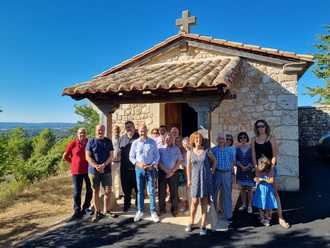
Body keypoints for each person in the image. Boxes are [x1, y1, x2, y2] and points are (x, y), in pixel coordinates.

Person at [251, 119, 290, 229]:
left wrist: (272, 169)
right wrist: (256, 169)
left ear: (266, 127)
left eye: (262, 126)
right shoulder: (254, 139)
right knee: (260, 192)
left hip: (270, 169)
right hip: (259, 169)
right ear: (256, 128)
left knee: (274, 193)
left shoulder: (271, 138)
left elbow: (274, 155)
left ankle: (280, 218)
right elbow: (253, 155)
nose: (260, 128)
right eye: (258, 126)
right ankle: (263, 216)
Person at [185, 132, 216, 236]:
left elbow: (215, 161)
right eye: (196, 139)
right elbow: (188, 167)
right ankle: (191, 222)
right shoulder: (190, 152)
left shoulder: (207, 151)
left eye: (200, 139)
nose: (198, 140)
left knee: (204, 202)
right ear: (193, 140)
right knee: (194, 202)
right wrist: (189, 180)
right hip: (194, 180)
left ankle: (203, 224)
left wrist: (212, 171)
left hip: (205, 179)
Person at [129, 124, 160, 223]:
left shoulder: (152, 142)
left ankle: (153, 211)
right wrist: (137, 164)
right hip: (139, 169)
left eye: (144, 131)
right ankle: (140, 211)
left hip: (150, 168)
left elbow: (157, 156)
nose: (143, 133)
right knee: (140, 191)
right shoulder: (135, 143)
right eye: (141, 131)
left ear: (147, 131)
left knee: (151, 191)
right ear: (139, 132)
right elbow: (131, 157)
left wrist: (153, 164)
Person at [86, 124, 114, 222]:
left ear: (104, 130)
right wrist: (96, 166)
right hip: (94, 171)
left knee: (108, 191)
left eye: (102, 130)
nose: (100, 131)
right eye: (98, 130)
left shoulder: (108, 141)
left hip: (106, 170)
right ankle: (97, 212)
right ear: (95, 130)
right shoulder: (91, 141)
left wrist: (104, 165)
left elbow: (111, 155)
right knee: (96, 191)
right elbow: (88, 157)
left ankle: (107, 211)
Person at [63, 128, 92, 221]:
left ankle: (86, 207)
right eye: (80, 133)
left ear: (86, 134)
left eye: (83, 133)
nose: (82, 134)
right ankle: (77, 211)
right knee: (77, 192)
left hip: (88, 170)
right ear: (77, 134)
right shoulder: (73, 143)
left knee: (90, 189)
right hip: (77, 172)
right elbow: (65, 156)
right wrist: (73, 163)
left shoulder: (89, 142)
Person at [211, 133, 236, 224]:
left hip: (227, 174)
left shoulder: (231, 150)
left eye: (223, 139)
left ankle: (228, 215)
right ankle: (213, 215)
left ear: (225, 140)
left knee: (227, 195)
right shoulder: (213, 150)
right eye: (220, 138)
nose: (221, 140)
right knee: (214, 194)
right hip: (217, 173)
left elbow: (233, 163)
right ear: (217, 140)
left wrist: (233, 175)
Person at [158, 133, 183, 216]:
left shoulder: (177, 149)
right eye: (167, 138)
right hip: (162, 173)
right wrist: (166, 171)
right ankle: (162, 209)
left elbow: (179, 161)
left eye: (170, 138)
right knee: (162, 192)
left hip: (174, 173)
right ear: (164, 139)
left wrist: (172, 171)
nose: (168, 140)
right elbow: (158, 162)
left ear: (173, 140)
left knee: (174, 192)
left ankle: (174, 209)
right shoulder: (160, 149)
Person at [252, 156, 278, 226]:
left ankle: (268, 218)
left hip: (268, 190)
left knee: (268, 204)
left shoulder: (270, 170)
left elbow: (271, 180)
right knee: (260, 205)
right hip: (261, 190)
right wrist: (256, 179)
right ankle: (262, 218)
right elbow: (256, 178)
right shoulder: (259, 170)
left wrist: (262, 179)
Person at [119, 121, 139, 212]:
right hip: (124, 169)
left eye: (130, 126)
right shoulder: (122, 138)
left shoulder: (139, 138)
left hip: (136, 168)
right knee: (126, 188)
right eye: (127, 127)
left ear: (134, 127)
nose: (129, 128)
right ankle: (127, 204)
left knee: (138, 188)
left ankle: (139, 205)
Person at [236, 132, 255, 213]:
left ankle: (250, 205)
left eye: (244, 137)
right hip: (240, 170)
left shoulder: (251, 148)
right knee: (242, 189)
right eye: (241, 137)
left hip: (249, 171)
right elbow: (235, 159)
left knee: (250, 189)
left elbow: (253, 159)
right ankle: (244, 204)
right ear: (239, 139)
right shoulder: (237, 148)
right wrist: (241, 166)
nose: (242, 139)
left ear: (246, 138)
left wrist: (247, 167)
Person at [112, 125, 123, 199]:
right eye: (115, 129)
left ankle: (118, 194)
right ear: (113, 130)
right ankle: (113, 193)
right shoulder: (110, 139)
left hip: (120, 161)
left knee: (119, 178)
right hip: (112, 162)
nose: (116, 131)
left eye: (118, 129)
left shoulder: (121, 139)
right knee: (112, 178)